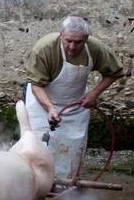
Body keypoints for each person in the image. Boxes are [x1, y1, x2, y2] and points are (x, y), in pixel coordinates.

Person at [24, 15, 125, 181]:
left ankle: (67, 187)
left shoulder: (95, 48)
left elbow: (114, 72)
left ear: (86, 39)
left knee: (72, 151)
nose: (72, 47)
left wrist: (94, 94)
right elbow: (36, 85)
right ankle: (37, 185)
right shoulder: (44, 48)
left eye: (78, 42)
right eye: (68, 40)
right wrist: (50, 108)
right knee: (40, 148)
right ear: (60, 35)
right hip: (42, 105)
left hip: (76, 106)